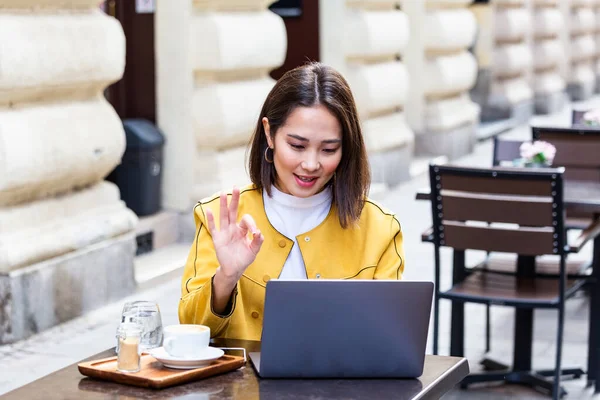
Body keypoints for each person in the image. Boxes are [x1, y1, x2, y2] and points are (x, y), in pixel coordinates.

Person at [179, 62, 405, 341]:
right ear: (269, 133)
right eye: (297, 146)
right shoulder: (220, 216)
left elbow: (387, 340)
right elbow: (190, 328)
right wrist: (226, 277)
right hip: (241, 384)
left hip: (340, 384)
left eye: (329, 149)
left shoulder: (380, 229)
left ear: (346, 148)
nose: (310, 164)